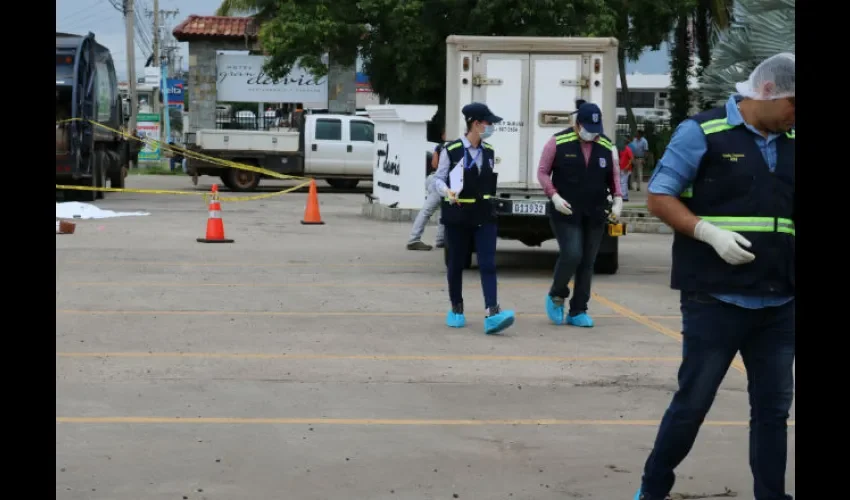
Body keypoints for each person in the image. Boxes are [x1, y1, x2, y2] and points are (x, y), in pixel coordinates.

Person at [633, 53, 795, 500]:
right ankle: (653, 488)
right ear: (768, 91)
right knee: (693, 403)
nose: (795, 115)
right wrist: (708, 232)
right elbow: (660, 196)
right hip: (715, 300)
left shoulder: (791, 141)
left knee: (773, 411)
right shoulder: (702, 132)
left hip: (780, 302)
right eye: (794, 104)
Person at [537, 102, 623, 327]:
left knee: (588, 262)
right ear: (577, 124)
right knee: (573, 253)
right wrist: (554, 196)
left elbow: (613, 176)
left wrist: (618, 200)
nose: (592, 133)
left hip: (595, 211)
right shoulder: (558, 142)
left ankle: (578, 310)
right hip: (565, 210)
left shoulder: (606, 145)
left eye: (596, 128)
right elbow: (543, 172)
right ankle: (556, 295)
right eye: (588, 127)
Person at [433, 102, 515, 335]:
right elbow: (437, 179)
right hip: (458, 215)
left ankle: (492, 311)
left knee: (488, 263)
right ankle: (457, 308)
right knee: (456, 264)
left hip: (484, 215)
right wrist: (447, 191)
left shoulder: (488, 151)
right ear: (476, 123)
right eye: (488, 123)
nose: (491, 127)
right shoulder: (452, 149)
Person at [407, 130, 447, 250]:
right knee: (428, 210)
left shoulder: (443, 147)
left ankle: (441, 240)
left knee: (443, 210)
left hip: (436, 180)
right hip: (438, 182)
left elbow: (435, 165)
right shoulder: (443, 147)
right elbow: (435, 165)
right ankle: (413, 239)